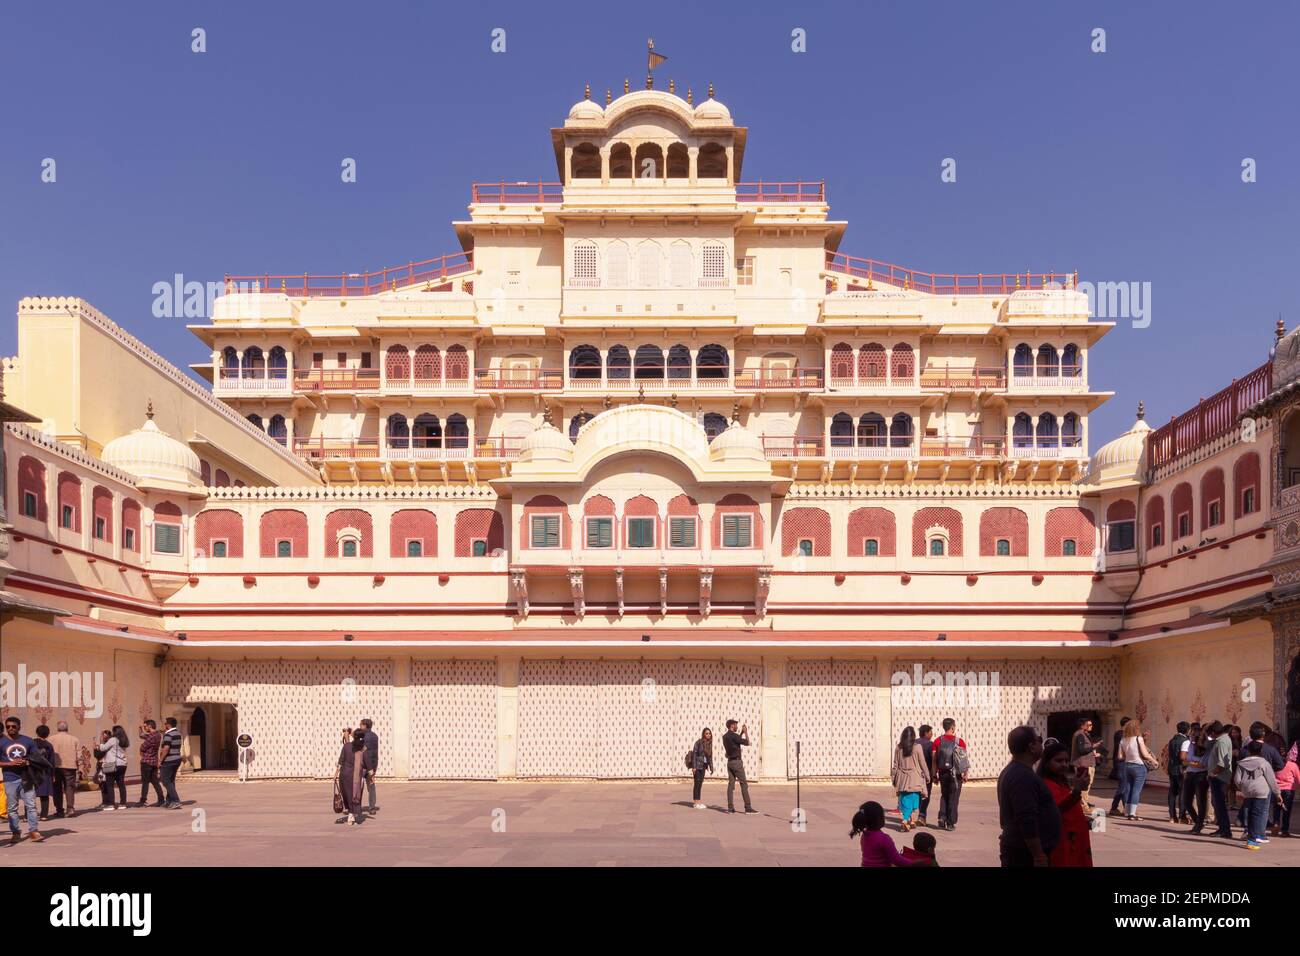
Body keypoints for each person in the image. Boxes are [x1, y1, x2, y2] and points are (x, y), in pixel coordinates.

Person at [997, 726, 1059, 867]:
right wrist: (1038, 856)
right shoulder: (1022, 776)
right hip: (1024, 854)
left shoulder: (1015, 771)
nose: (1041, 744)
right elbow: (1026, 818)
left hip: (1020, 849)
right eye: (1039, 740)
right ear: (1031, 747)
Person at [1038, 740, 1093, 867]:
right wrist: (1077, 790)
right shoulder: (1045, 784)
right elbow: (1057, 808)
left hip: (1076, 837)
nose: (1064, 764)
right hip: (1063, 839)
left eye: (1066, 761)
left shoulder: (1061, 782)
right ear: (1047, 763)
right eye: (1058, 761)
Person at [1, 716, 44, 844]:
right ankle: (15, 832)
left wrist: (26, 761)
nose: (10, 729)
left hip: (27, 778)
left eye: (13, 726)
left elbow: (36, 758)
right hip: (10, 779)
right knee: (12, 808)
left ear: (19, 727)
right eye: (8, 726)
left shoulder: (28, 741)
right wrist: (11, 764)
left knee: (31, 805)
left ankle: (34, 831)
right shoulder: (1, 741)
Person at [1235, 739, 1282, 850]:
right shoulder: (1264, 763)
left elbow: (1237, 780)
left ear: (1248, 750)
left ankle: (1250, 835)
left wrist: (1242, 788)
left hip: (1247, 791)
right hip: (1261, 792)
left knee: (1250, 813)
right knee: (1257, 815)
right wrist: (1277, 793)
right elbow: (1271, 780)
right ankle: (1252, 839)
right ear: (1260, 750)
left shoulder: (1241, 763)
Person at [849, 801, 927, 867]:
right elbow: (897, 860)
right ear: (879, 819)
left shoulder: (865, 835)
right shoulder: (883, 839)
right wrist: (915, 864)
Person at [1115, 719, 1156, 821]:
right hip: (1138, 766)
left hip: (1127, 766)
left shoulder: (1123, 740)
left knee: (1128, 789)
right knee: (1136, 790)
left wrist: (1129, 755)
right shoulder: (1139, 738)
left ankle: (1127, 812)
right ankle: (1132, 814)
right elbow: (1145, 754)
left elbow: (1120, 756)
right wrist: (1154, 761)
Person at [892, 725, 930, 831]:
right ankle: (904, 821)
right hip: (915, 779)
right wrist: (927, 776)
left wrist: (894, 778)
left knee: (906, 801)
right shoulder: (917, 747)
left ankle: (911, 820)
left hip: (902, 779)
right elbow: (923, 763)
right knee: (913, 801)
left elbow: (895, 765)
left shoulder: (898, 748)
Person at [932, 717, 967, 831]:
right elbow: (963, 759)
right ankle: (950, 822)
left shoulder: (938, 741)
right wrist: (965, 773)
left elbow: (934, 760)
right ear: (952, 727)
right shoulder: (959, 741)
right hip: (956, 775)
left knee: (944, 795)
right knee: (954, 797)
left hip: (943, 774)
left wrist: (934, 775)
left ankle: (942, 817)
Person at [336, 728, 374, 826]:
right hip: (356, 778)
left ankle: (350, 814)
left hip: (344, 775)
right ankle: (351, 816)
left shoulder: (346, 746)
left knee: (347, 795)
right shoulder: (363, 748)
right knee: (354, 796)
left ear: (354, 736)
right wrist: (371, 776)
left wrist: (336, 773)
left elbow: (341, 760)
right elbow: (368, 763)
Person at [1204, 721, 1235, 839]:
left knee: (1219, 804)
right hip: (1219, 777)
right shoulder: (1223, 739)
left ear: (1213, 732)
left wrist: (1212, 773)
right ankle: (1222, 828)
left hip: (1219, 778)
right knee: (1218, 804)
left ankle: (1225, 830)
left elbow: (1222, 763)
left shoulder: (1222, 741)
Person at [1070, 717, 1103, 814]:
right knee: (1084, 786)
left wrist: (1093, 753)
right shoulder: (1080, 734)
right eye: (1089, 725)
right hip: (1083, 765)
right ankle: (1084, 807)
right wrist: (1094, 746)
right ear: (1082, 725)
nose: (1091, 726)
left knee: (1085, 786)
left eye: (1091, 725)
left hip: (1086, 764)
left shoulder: (1083, 734)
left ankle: (1083, 805)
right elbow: (1081, 750)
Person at [722, 719, 756, 814]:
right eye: (736, 725)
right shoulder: (734, 736)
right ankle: (748, 807)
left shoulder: (725, 737)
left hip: (730, 763)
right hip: (737, 763)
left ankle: (730, 808)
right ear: (732, 725)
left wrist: (740, 733)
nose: (737, 726)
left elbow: (736, 742)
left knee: (731, 785)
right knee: (743, 784)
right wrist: (745, 732)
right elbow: (747, 743)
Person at [47, 721, 80, 819]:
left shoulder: (51, 739)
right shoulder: (74, 739)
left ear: (57, 728)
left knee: (57, 789)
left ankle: (59, 810)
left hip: (55, 766)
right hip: (70, 766)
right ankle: (70, 809)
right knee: (69, 788)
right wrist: (80, 768)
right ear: (67, 728)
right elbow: (79, 754)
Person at [94, 726, 130, 811]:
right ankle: (123, 803)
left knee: (109, 784)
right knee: (121, 784)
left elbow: (102, 748)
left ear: (115, 732)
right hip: (123, 764)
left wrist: (102, 740)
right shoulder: (124, 740)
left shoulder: (113, 739)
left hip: (113, 764)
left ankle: (111, 804)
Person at [1182, 724, 1209, 834]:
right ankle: (1198, 821)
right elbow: (1184, 760)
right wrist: (1193, 763)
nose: (1190, 736)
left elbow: (1203, 764)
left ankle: (1198, 825)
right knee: (1186, 801)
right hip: (1190, 774)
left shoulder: (1205, 747)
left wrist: (1191, 763)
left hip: (1201, 776)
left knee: (1200, 801)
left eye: (1192, 734)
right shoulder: (1190, 746)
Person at [136, 720, 164, 808]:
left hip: (147, 761)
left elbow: (143, 747)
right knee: (155, 782)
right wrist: (140, 729)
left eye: (145, 727)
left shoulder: (151, 736)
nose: (145, 728)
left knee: (145, 782)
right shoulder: (158, 735)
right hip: (154, 762)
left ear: (149, 726)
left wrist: (141, 750)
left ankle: (143, 800)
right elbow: (142, 735)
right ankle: (161, 799)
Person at [1165, 721, 1189, 823]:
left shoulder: (1172, 740)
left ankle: (1172, 816)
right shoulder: (1185, 741)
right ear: (1187, 730)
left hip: (1171, 768)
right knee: (1182, 793)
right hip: (1181, 770)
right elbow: (1182, 757)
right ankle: (1182, 817)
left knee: (1172, 792)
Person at [158, 716, 183, 809]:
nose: (164, 725)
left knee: (165, 781)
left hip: (169, 760)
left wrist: (160, 760)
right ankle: (169, 801)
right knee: (171, 781)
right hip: (177, 759)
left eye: (165, 724)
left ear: (168, 725)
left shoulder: (168, 735)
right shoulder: (177, 733)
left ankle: (176, 801)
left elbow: (166, 748)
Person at [1108, 716, 1132, 814]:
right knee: (1123, 786)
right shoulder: (1120, 734)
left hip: (1123, 762)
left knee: (1125, 786)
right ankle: (1114, 807)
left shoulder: (1123, 735)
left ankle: (1125, 808)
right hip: (1121, 762)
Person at [32, 726, 55, 820]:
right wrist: (53, 774)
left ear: (37, 732)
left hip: (32, 772)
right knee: (44, 794)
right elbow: (52, 761)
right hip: (45, 772)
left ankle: (26, 816)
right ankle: (44, 815)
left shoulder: (31, 743)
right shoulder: (49, 745)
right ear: (47, 734)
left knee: (30, 795)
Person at [1275, 746, 1298, 837]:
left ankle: (1276, 824)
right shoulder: (1292, 765)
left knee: (1276, 809)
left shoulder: (1274, 764)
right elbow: (1298, 778)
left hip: (1277, 789)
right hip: (1289, 790)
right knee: (1286, 811)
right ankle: (1285, 830)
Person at [916, 724, 935, 825]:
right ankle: (922, 816)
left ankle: (909, 817)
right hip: (927, 774)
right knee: (926, 796)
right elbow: (933, 760)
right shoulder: (930, 744)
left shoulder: (914, 743)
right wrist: (934, 774)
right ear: (926, 733)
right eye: (931, 732)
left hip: (915, 774)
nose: (932, 734)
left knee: (915, 795)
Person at [359, 718, 379, 814]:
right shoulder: (375, 736)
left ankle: (357, 806)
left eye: (361, 725)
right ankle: (372, 807)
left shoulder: (365, 737)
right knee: (371, 786)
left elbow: (363, 750)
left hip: (364, 765)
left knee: (358, 785)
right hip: (373, 764)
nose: (360, 726)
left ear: (365, 726)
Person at [690, 727, 714, 809]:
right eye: (707, 733)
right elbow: (694, 754)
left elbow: (710, 757)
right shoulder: (699, 742)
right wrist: (693, 767)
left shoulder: (709, 743)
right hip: (697, 766)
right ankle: (695, 803)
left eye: (709, 733)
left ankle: (698, 802)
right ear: (703, 734)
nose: (708, 735)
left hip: (703, 766)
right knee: (697, 783)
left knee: (700, 784)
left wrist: (711, 767)